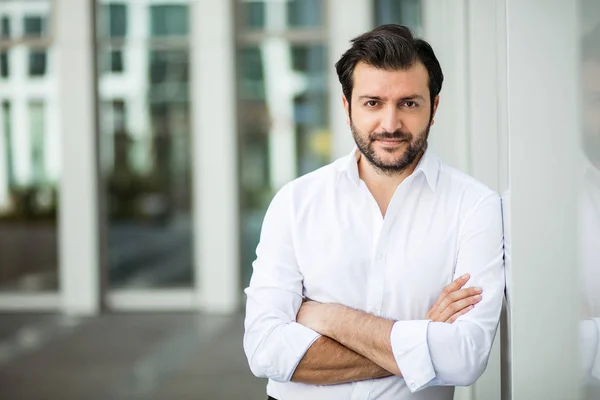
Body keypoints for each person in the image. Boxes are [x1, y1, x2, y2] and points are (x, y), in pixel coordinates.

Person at [243, 24, 505, 400]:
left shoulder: (475, 207)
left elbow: (465, 358)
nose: (390, 124)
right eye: (373, 103)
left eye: (409, 103)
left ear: (434, 107)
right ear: (348, 107)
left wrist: (331, 318)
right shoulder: (295, 202)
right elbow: (264, 350)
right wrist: (421, 338)